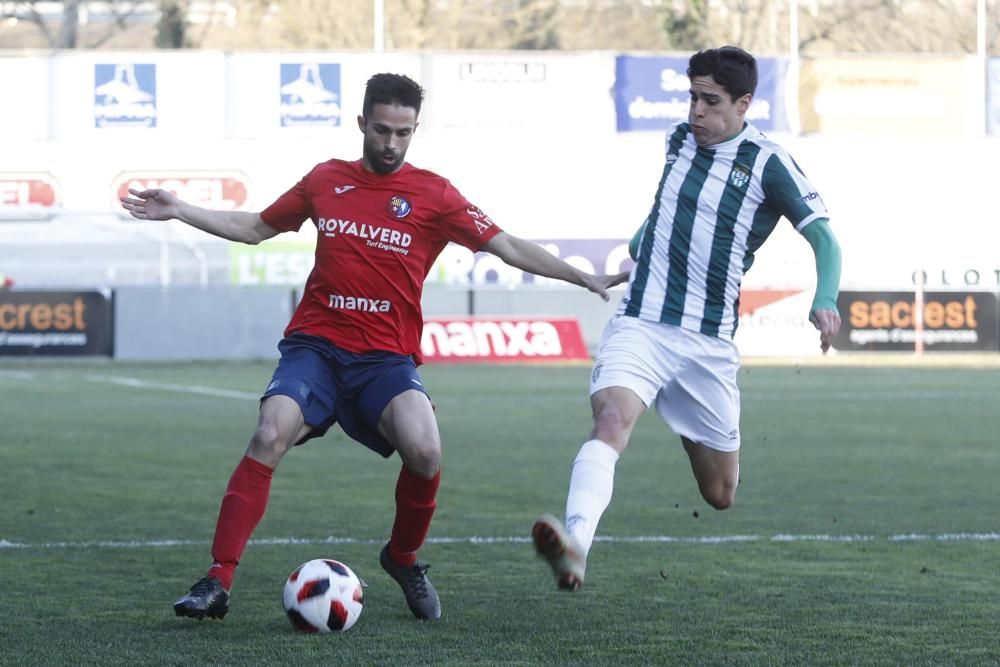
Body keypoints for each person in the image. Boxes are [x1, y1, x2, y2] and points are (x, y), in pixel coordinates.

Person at [121, 73, 627, 621]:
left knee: (427, 450)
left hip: (385, 361)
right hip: (315, 348)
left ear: (414, 131)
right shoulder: (324, 180)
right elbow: (255, 228)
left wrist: (584, 279)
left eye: (403, 133)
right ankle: (217, 580)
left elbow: (506, 245)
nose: (390, 143)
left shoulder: (434, 194)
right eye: (381, 130)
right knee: (269, 432)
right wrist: (180, 209)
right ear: (362, 123)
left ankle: (402, 557)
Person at [531, 46, 842, 591]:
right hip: (642, 324)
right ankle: (576, 545)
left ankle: (681, 415)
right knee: (609, 421)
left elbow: (822, 233)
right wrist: (637, 253)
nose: (697, 111)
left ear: (744, 103)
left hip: (707, 345)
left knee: (719, 494)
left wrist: (827, 297)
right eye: (692, 97)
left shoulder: (768, 162)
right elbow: (663, 212)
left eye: (711, 101)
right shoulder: (679, 140)